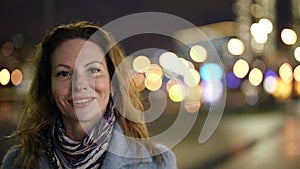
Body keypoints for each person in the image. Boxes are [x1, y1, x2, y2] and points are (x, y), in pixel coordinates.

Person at [1, 21, 177, 169]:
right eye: (64, 73)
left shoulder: (158, 163)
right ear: (48, 87)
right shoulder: (16, 163)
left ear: (112, 83)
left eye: (93, 70)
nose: (79, 85)